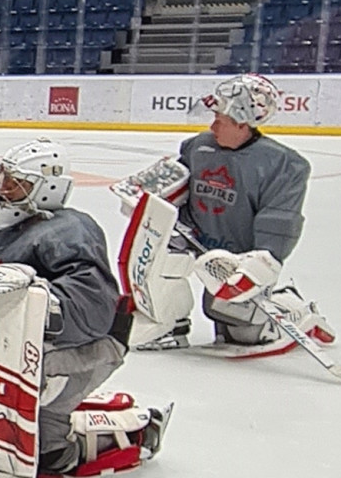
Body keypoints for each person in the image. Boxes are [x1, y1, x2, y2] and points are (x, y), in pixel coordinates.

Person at [0, 139, 171, 476]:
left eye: (19, 183)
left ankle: (134, 433)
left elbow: (92, 307)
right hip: (10, 347)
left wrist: (38, 300)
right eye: (5, 178)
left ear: (48, 189)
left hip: (86, 344)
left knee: (41, 453)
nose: (6, 189)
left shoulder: (69, 229)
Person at [119, 73, 330, 354]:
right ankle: (168, 324)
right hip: (192, 238)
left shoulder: (284, 165)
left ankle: (291, 308)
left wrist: (261, 262)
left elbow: (280, 222)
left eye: (220, 119)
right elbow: (177, 187)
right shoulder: (197, 146)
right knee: (159, 255)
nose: (212, 124)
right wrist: (146, 200)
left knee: (238, 328)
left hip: (237, 259)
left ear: (242, 122)